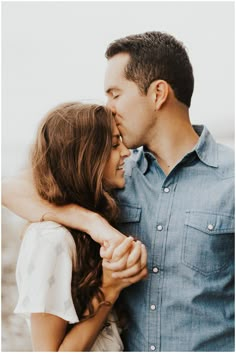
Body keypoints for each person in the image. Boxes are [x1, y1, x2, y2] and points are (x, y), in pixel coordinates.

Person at [2, 31, 234, 351]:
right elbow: (10, 188)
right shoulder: (114, 175)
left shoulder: (231, 178)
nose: (108, 107)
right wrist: (92, 223)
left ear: (158, 94)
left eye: (115, 93)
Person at [12, 102, 148, 351]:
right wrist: (110, 289)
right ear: (86, 157)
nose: (127, 152)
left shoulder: (86, 225)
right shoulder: (50, 240)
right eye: (115, 144)